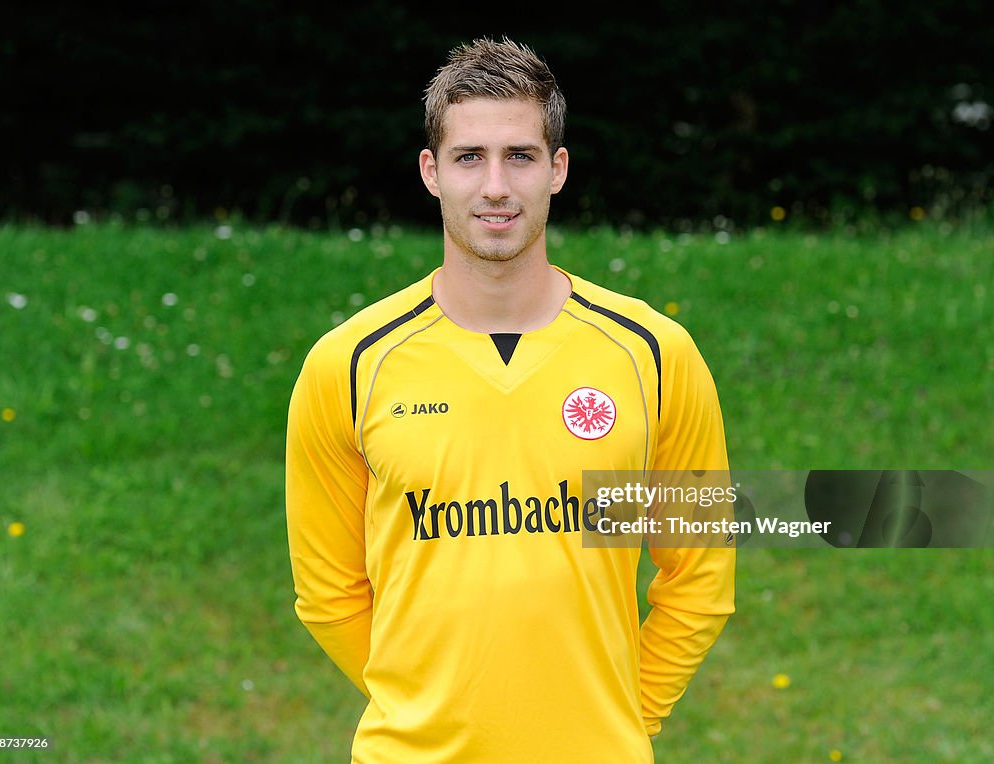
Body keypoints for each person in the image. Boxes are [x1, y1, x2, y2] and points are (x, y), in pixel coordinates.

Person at [285, 37, 735, 764]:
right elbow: (328, 592)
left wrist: (629, 718)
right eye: (470, 157)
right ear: (432, 173)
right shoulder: (348, 363)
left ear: (557, 169)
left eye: (520, 156)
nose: (496, 185)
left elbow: (701, 574)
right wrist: (425, 707)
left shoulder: (656, 354)